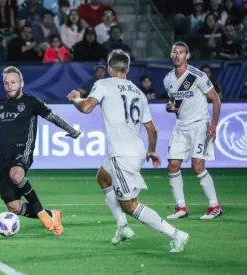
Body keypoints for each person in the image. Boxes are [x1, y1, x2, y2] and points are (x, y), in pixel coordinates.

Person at [67, 50, 189, 252]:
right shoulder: (138, 92)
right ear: (128, 69)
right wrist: (151, 150)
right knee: (103, 177)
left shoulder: (103, 84)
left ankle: (176, 235)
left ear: (109, 68)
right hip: (136, 151)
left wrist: (76, 99)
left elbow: (87, 107)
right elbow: (151, 128)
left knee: (130, 205)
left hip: (122, 155)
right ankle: (122, 227)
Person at [0, 66, 81, 235]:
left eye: (13, 82)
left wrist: (71, 130)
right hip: (3, 157)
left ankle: (42, 212)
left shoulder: (31, 102)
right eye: (6, 83)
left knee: (16, 175)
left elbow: (53, 116)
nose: (9, 86)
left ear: (22, 83)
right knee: (14, 207)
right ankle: (53, 214)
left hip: (22, 150)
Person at [163, 42, 222, 220]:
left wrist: (214, 124)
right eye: (174, 51)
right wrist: (169, 107)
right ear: (170, 54)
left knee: (197, 165)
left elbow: (215, 99)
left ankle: (214, 206)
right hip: (181, 127)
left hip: (199, 125)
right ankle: (181, 207)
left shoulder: (197, 76)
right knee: (173, 165)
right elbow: (175, 103)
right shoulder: (168, 79)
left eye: (181, 52)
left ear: (187, 56)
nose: (177, 55)